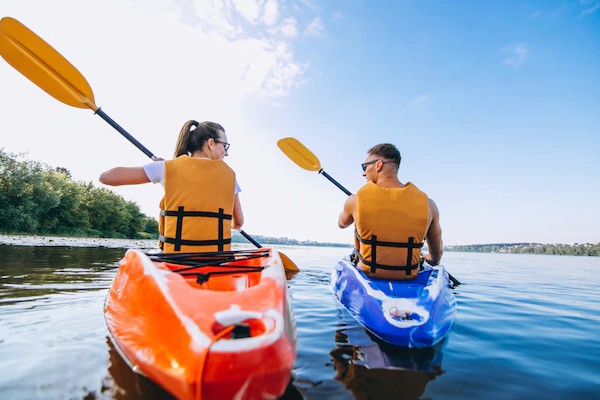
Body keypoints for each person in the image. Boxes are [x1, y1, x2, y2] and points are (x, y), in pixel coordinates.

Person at [99, 120, 243, 253]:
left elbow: (106, 177)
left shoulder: (166, 168)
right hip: (216, 261)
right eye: (225, 146)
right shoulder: (230, 176)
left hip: (174, 260)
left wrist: (161, 168)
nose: (226, 152)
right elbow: (238, 223)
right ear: (211, 143)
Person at [338, 143, 442, 280]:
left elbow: (341, 223)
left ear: (378, 165)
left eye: (365, 167)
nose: (363, 173)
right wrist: (431, 259)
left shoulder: (355, 201)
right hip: (410, 278)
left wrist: (352, 203)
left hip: (367, 275)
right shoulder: (429, 205)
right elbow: (437, 253)